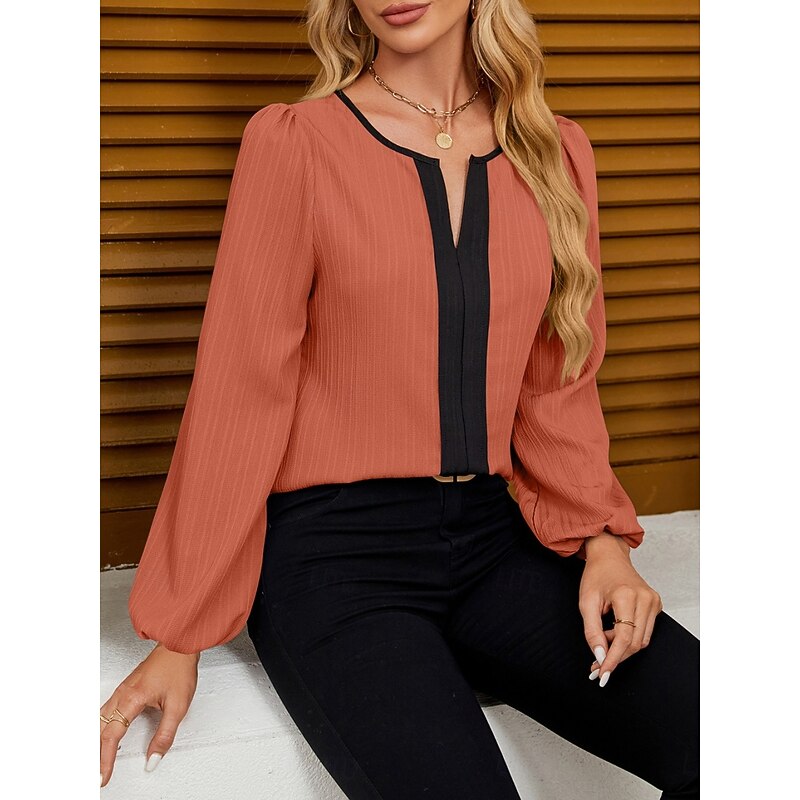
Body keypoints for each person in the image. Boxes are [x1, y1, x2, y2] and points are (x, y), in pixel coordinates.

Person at [99, 1, 700, 797]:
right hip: (332, 562)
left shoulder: (554, 152)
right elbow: (241, 389)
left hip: (494, 542)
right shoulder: (296, 143)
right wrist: (182, 632)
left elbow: (557, 382)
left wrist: (603, 546)